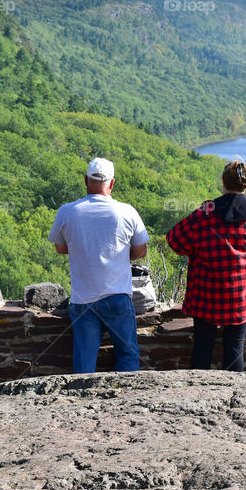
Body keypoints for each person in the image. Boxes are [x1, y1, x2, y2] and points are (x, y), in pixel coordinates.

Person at [48, 157, 149, 373]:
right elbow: (141, 251)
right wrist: (119, 255)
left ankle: (82, 401)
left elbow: (60, 248)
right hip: (118, 296)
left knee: (84, 360)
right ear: (112, 183)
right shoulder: (127, 211)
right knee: (128, 354)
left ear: (86, 181)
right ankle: (128, 401)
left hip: (82, 298)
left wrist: (84, 249)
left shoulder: (67, 211)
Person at [166, 159, 246, 371]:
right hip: (242, 295)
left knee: (203, 347)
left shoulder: (205, 213)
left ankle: (198, 392)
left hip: (206, 295)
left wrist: (197, 248)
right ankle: (233, 394)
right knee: (235, 348)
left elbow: (174, 241)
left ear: (223, 182)